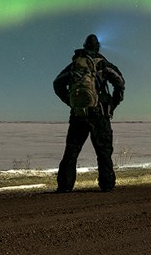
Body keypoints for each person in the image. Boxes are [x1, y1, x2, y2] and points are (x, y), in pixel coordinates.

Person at [52, 33, 125, 192]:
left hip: (78, 115)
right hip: (99, 114)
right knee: (104, 151)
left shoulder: (74, 65)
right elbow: (120, 83)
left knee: (72, 150)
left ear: (84, 47)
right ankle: (106, 185)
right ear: (98, 47)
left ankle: (64, 185)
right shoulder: (103, 64)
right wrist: (112, 104)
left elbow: (57, 83)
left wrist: (71, 103)